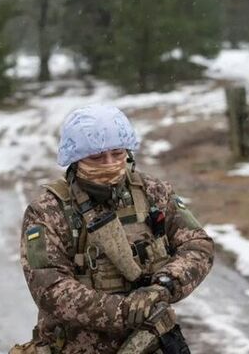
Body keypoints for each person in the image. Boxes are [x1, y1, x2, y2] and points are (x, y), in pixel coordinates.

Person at [17, 104, 214, 354]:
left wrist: (163, 285)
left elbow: (198, 245)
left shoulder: (153, 192)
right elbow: (49, 289)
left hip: (150, 343)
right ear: (75, 159)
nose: (109, 164)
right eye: (97, 157)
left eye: (117, 153)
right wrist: (124, 311)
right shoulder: (48, 211)